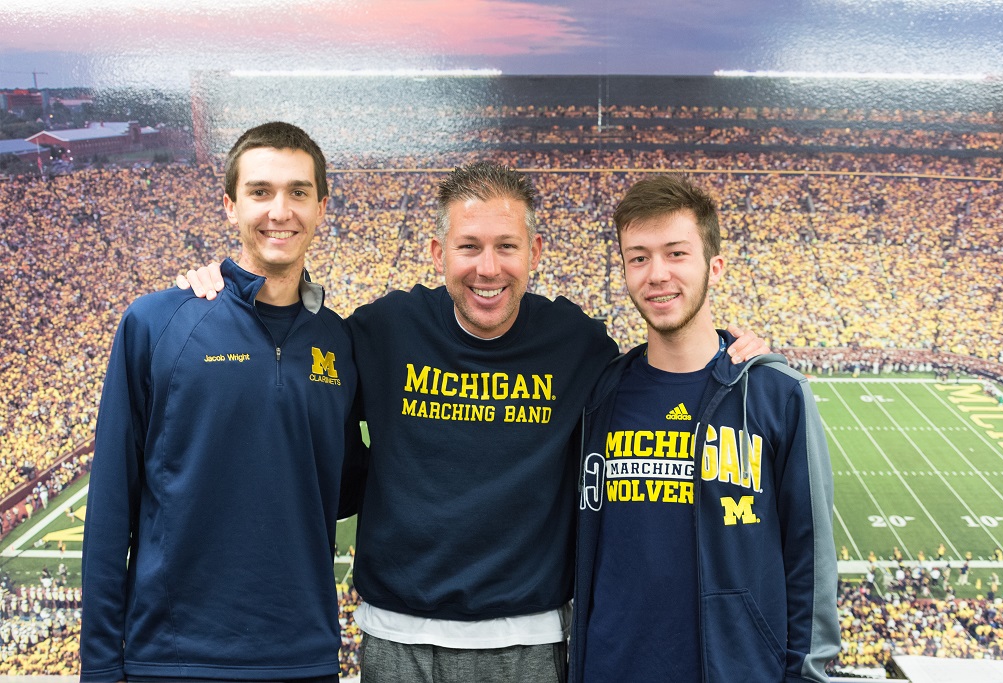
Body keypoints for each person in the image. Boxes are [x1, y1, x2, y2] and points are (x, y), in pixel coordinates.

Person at [179, 162, 768, 682]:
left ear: (535, 253)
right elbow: (285, 371)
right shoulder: (383, 330)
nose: (489, 268)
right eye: (469, 247)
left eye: (507, 247)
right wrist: (223, 291)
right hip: (397, 637)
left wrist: (727, 346)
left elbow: (663, 373)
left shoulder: (578, 344)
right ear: (439, 254)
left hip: (529, 641)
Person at [80, 122, 359, 682]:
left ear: (322, 207)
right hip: (174, 659)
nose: (280, 210)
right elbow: (111, 507)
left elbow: (350, 483)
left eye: (298, 192)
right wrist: (101, 669)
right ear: (229, 205)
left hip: (303, 657)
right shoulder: (157, 322)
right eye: (260, 191)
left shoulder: (340, 339)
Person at [570, 175, 839, 682]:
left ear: (714, 266)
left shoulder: (775, 395)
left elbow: (810, 558)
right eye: (639, 257)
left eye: (676, 253)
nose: (657, 274)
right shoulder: (599, 395)